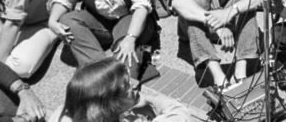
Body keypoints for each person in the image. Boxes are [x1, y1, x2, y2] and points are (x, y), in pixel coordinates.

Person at [48, 57, 190, 122]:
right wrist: (149, 100)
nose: (135, 86)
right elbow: (180, 113)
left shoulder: (63, 113)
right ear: (109, 104)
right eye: (127, 86)